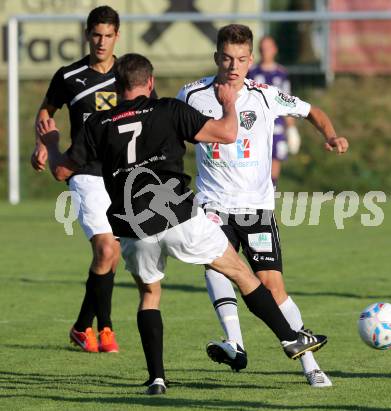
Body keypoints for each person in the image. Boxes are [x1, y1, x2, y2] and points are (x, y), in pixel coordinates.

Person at [37, 53, 328, 395]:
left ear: (116, 86)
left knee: (149, 295)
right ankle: (290, 339)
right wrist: (227, 104)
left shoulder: (97, 124)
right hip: (178, 217)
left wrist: (52, 144)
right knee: (241, 273)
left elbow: (61, 171)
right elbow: (226, 133)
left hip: (133, 227)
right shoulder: (169, 111)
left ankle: (157, 378)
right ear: (150, 82)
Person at [177, 24, 348, 387]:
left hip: (256, 207)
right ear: (216, 58)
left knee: (273, 286)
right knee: (217, 264)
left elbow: (312, 111)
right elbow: (169, 129)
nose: (234, 66)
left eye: (241, 59)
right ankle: (235, 343)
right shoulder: (192, 95)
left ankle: (310, 364)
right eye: (227, 58)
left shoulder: (266, 95)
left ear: (251, 59)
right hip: (212, 203)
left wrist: (330, 135)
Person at [30, 6, 121, 353]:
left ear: (116, 37)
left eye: (107, 35)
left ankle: (83, 327)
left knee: (110, 257)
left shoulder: (127, 75)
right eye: (96, 34)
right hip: (83, 171)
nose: (101, 41)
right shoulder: (69, 76)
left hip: (120, 175)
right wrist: (41, 144)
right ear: (87, 34)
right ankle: (107, 328)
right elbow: (45, 112)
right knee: (105, 248)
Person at [247, 35, 302, 187]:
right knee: (254, 158)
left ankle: (271, 191)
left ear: (274, 50)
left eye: (268, 48)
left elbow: (287, 101)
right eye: (262, 48)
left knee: (275, 156)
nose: (265, 51)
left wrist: (291, 127)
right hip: (255, 122)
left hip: (276, 123)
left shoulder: (281, 73)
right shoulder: (251, 72)